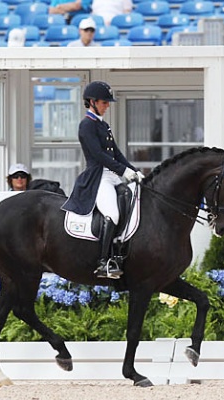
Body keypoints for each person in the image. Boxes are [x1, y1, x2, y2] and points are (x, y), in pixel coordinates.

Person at [62, 81, 143, 279]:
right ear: (92, 102)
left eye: (107, 102)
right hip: (99, 177)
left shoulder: (103, 125)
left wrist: (134, 171)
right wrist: (123, 171)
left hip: (113, 175)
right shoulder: (86, 125)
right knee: (112, 214)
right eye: (104, 102)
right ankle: (104, 262)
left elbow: (116, 153)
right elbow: (99, 155)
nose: (107, 106)